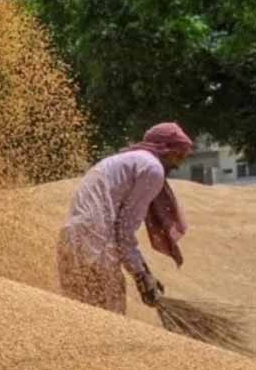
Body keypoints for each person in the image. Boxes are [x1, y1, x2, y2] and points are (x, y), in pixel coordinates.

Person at [56, 122, 193, 314]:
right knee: (111, 317)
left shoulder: (126, 161)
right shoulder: (152, 169)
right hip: (96, 245)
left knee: (78, 316)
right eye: (178, 156)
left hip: (71, 240)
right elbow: (124, 232)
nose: (178, 165)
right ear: (166, 149)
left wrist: (144, 273)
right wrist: (141, 275)